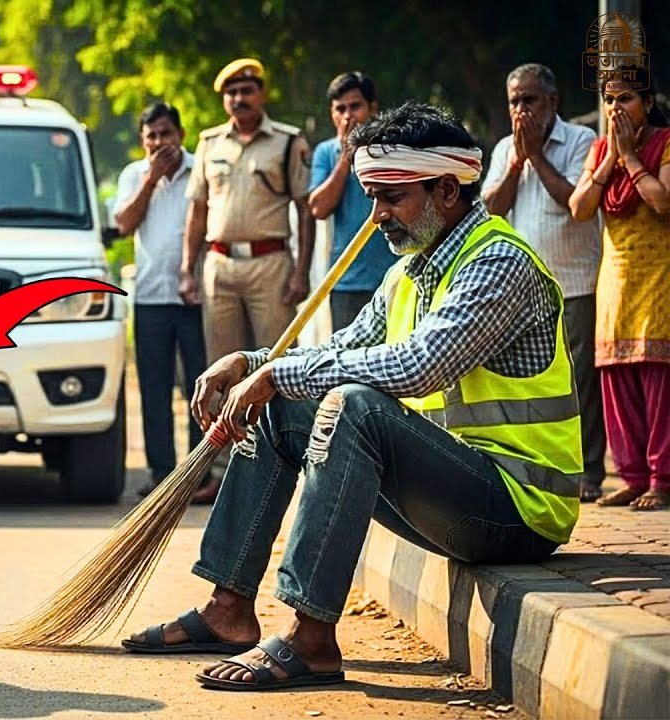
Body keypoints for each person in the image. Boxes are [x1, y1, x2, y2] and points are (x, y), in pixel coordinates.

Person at [122, 102, 581, 693]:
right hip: (457, 494)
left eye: (391, 197)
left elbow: (418, 368)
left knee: (354, 407)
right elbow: (343, 346)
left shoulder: (497, 263)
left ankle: (311, 638)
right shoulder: (410, 271)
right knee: (283, 404)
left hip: (518, 510)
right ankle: (228, 608)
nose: (377, 215)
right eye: (371, 197)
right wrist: (253, 364)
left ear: (446, 190)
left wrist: (275, 374)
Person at [180, 58, 315, 503]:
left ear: (262, 94)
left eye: (248, 90)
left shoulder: (287, 142)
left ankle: (283, 467)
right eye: (232, 92)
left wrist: (301, 271)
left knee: (275, 366)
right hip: (219, 264)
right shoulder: (208, 143)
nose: (240, 99)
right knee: (219, 370)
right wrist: (188, 267)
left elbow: (304, 209)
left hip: (270, 263)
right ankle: (221, 472)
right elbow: (197, 210)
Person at [483, 64, 605, 502]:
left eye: (529, 100)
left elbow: (577, 203)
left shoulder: (582, 142)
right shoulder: (502, 150)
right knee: (532, 382)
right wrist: (518, 160)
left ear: (553, 102)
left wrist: (536, 155)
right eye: (514, 101)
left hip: (574, 281)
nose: (521, 110)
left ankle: (590, 470)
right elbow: (493, 209)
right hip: (522, 290)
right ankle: (539, 468)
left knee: (581, 381)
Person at [568, 66, 670, 511]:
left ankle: (661, 478)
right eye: (609, 100)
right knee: (616, 377)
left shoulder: (665, 144)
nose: (615, 108)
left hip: (660, 276)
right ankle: (630, 475)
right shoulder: (599, 150)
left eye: (626, 98)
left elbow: (663, 202)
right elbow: (580, 208)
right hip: (615, 280)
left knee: (657, 377)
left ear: (647, 103)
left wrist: (630, 156)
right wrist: (612, 157)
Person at [113, 102, 208, 496]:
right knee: (154, 389)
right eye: (151, 136)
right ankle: (161, 473)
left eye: (165, 134)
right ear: (142, 140)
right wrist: (150, 180)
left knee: (200, 388)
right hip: (150, 298)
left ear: (180, 136)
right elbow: (122, 226)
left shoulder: (199, 171)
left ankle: (198, 474)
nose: (159, 142)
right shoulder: (133, 174)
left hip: (195, 296)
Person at [307, 72, 395, 331]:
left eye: (355, 106)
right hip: (346, 280)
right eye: (340, 109)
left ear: (373, 108)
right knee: (345, 363)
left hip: (393, 275)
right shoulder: (326, 152)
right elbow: (319, 208)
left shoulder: (392, 147)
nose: (347, 116)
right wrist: (347, 155)